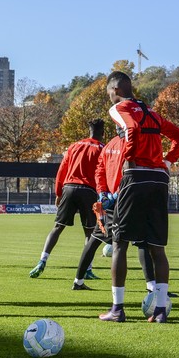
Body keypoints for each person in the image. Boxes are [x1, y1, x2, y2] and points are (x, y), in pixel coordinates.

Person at [99, 71, 179, 323]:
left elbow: (131, 128)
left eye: (109, 94)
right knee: (157, 248)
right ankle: (160, 310)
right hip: (159, 179)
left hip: (135, 177)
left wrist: (128, 157)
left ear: (115, 90)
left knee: (119, 243)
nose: (110, 99)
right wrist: (167, 161)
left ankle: (117, 309)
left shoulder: (119, 108)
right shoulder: (152, 112)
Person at [71, 125, 158, 293]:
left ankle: (78, 280)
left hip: (110, 201)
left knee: (95, 239)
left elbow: (99, 171)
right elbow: (129, 172)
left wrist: (103, 194)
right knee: (141, 242)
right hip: (127, 200)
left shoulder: (109, 145)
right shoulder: (132, 145)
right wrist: (116, 194)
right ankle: (151, 287)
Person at [29, 119, 104, 278]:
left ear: (88, 131)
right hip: (88, 191)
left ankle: (42, 260)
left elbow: (62, 170)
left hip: (69, 188)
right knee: (89, 232)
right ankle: (87, 269)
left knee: (58, 227)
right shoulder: (102, 149)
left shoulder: (74, 146)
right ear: (102, 133)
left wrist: (58, 193)